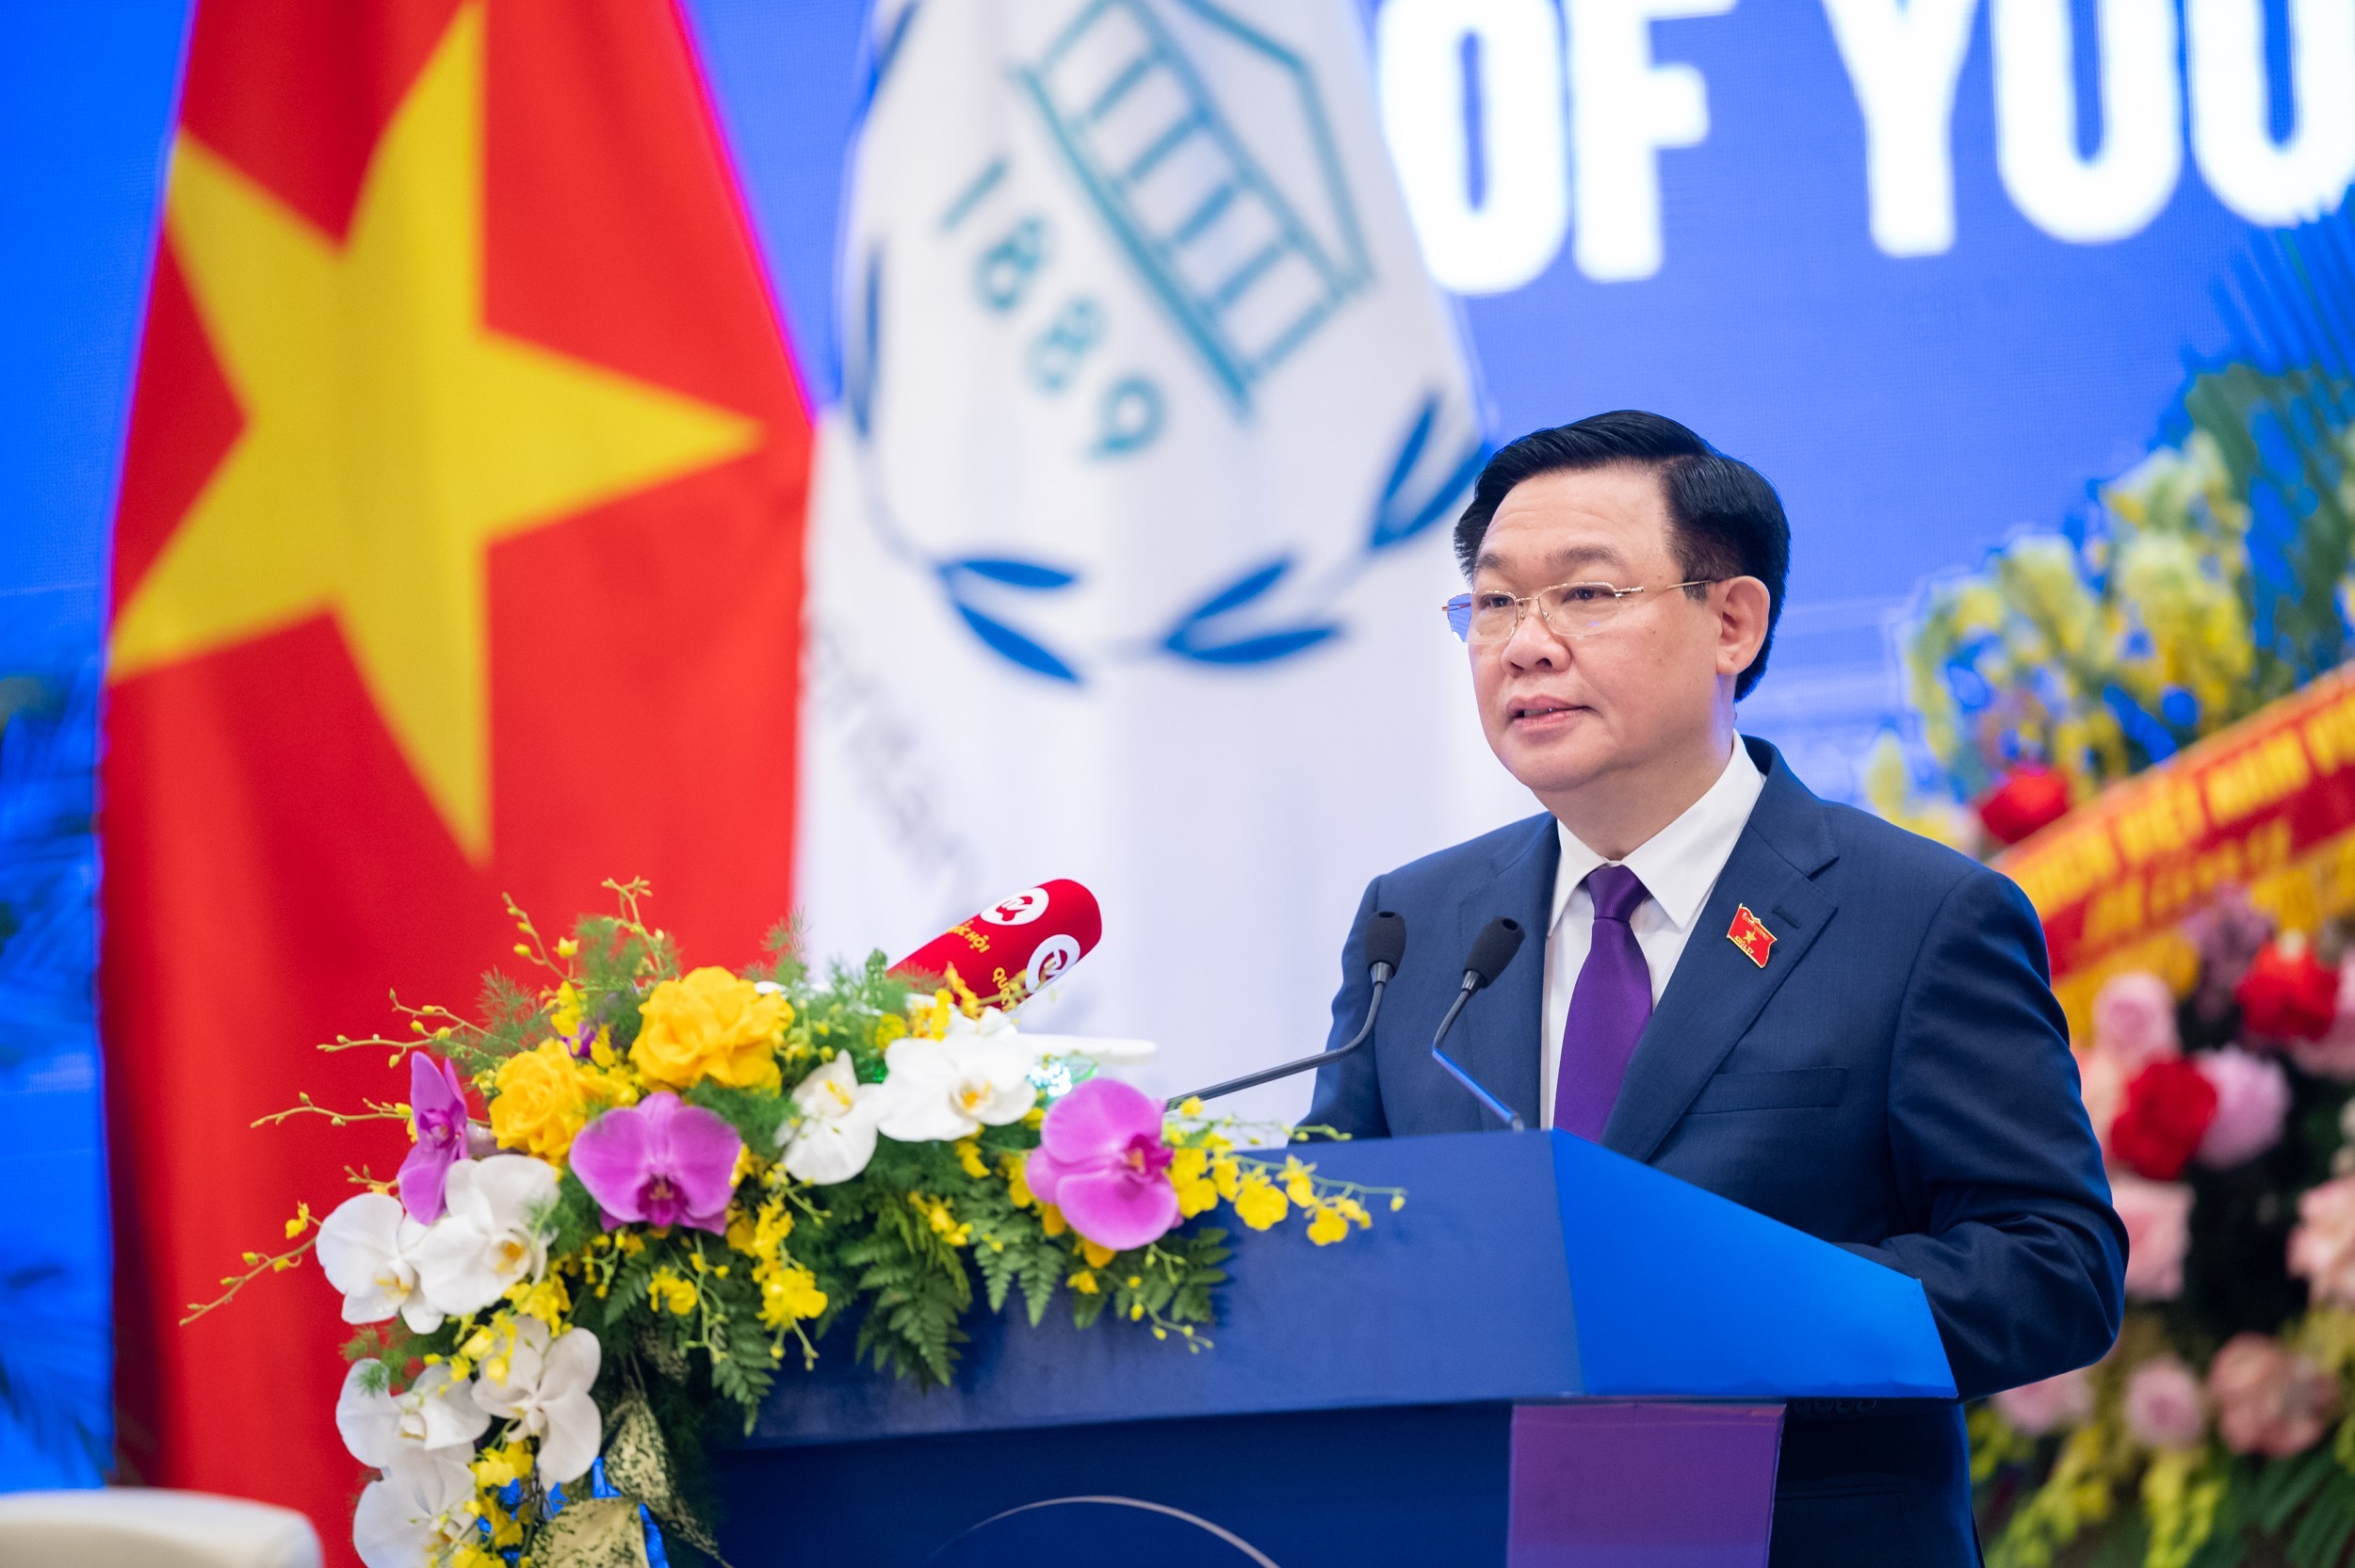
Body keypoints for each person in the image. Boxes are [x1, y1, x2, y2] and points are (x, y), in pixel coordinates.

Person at [1306, 411, 2124, 1564]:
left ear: (1731, 620)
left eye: (1584, 595)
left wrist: (1724, 1308)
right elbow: (1327, 1230)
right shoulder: (1418, 922)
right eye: (1492, 604)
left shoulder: (1914, 914)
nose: (1525, 645)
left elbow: (2053, 1266)